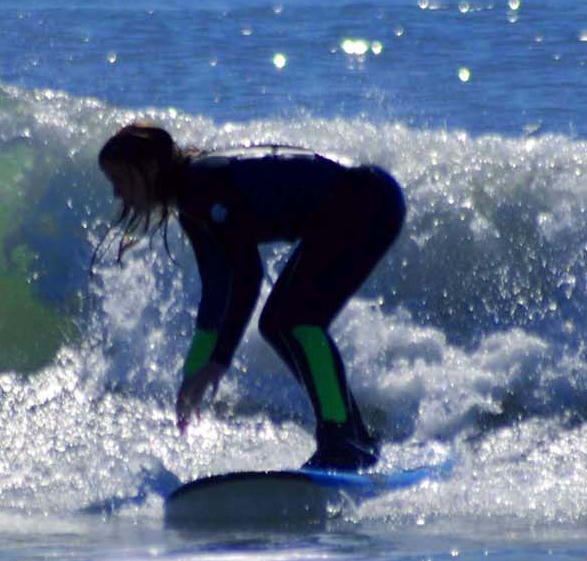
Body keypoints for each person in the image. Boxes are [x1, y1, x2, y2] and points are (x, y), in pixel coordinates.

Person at [97, 122, 406, 471]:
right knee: (279, 323)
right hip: (357, 206)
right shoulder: (192, 204)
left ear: (149, 169)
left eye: (119, 181)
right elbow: (215, 293)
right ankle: (352, 437)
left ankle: (342, 441)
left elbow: (247, 276)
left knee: (296, 320)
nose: (117, 195)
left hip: (367, 202)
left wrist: (218, 362)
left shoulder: (203, 188)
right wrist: (193, 374)